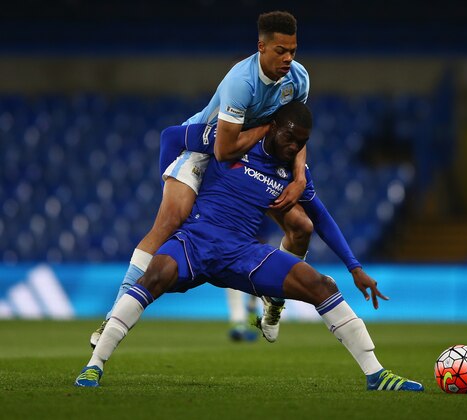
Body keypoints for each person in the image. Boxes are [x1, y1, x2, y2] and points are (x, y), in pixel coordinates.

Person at [74, 102, 424, 392]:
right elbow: (170, 136)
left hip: (243, 254)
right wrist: (170, 178)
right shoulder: (228, 142)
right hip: (195, 241)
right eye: (289, 138)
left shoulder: (293, 173)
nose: (293, 147)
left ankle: (376, 374)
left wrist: (354, 267)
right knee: (155, 273)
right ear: (273, 127)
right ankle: (94, 365)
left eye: (301, 143)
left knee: (323, 286)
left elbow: (323, 219)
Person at [90, 10, 312, 346]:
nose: (288, 58)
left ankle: (275, 301)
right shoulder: (242, 81)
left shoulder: (298, 79)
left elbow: (295, 136)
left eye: (292, 50)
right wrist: (266, 128)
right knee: (170, 221)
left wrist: (298, 178)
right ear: (261, 47)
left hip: (251, 156)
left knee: (302, 227)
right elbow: (223, 150)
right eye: (280, 50)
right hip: (208, 148)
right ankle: (114, 316)